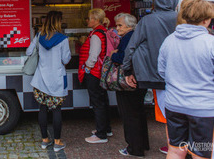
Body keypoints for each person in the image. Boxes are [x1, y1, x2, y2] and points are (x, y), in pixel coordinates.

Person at [122, 0, 179, 155]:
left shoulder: (147, 20)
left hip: (154, 75)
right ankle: (181, 148)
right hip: (179, 75)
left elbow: (131, 47)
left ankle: (175, 149)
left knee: (166, 113)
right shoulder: (181, 19)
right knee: (179, 115)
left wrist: (127, 71)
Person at [158, 0, 214, 159]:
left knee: (176, 150)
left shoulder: (169, 41)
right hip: (203, 110)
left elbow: (162, 72)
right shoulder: (210, 43)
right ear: (205, 19)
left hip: (174, 106)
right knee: (200, 153)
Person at [27, 11, 71, 152]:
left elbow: (28, 52)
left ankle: (45, 140)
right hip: (56, 80)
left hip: (40, 80)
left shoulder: (39, 36)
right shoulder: (63, 39)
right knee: (57, 110)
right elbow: (66, 59)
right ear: (58, 22)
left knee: (42, 108)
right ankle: (57, 142)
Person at [108, 13, 148, 157]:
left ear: (130, 26)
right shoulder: (139, 36)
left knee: (129, 115)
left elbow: (124, 57)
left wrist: (113, 54)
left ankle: (134, 148)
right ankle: (143, 144)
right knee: (139, 112)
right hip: (141, 78)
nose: (116, 28)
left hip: (128, 80)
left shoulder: (127, 38)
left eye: (119, 25)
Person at [78, 8, 112, 144]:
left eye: (90, 18)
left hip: (94, 72)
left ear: (96, 20)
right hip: (101, 71)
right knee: (103, 100)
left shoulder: (96, 35)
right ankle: (106, 128)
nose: (88, 20)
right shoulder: (103, 31)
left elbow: (94, 54)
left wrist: (87, 67)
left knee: (97, 102)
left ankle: (101, 134)